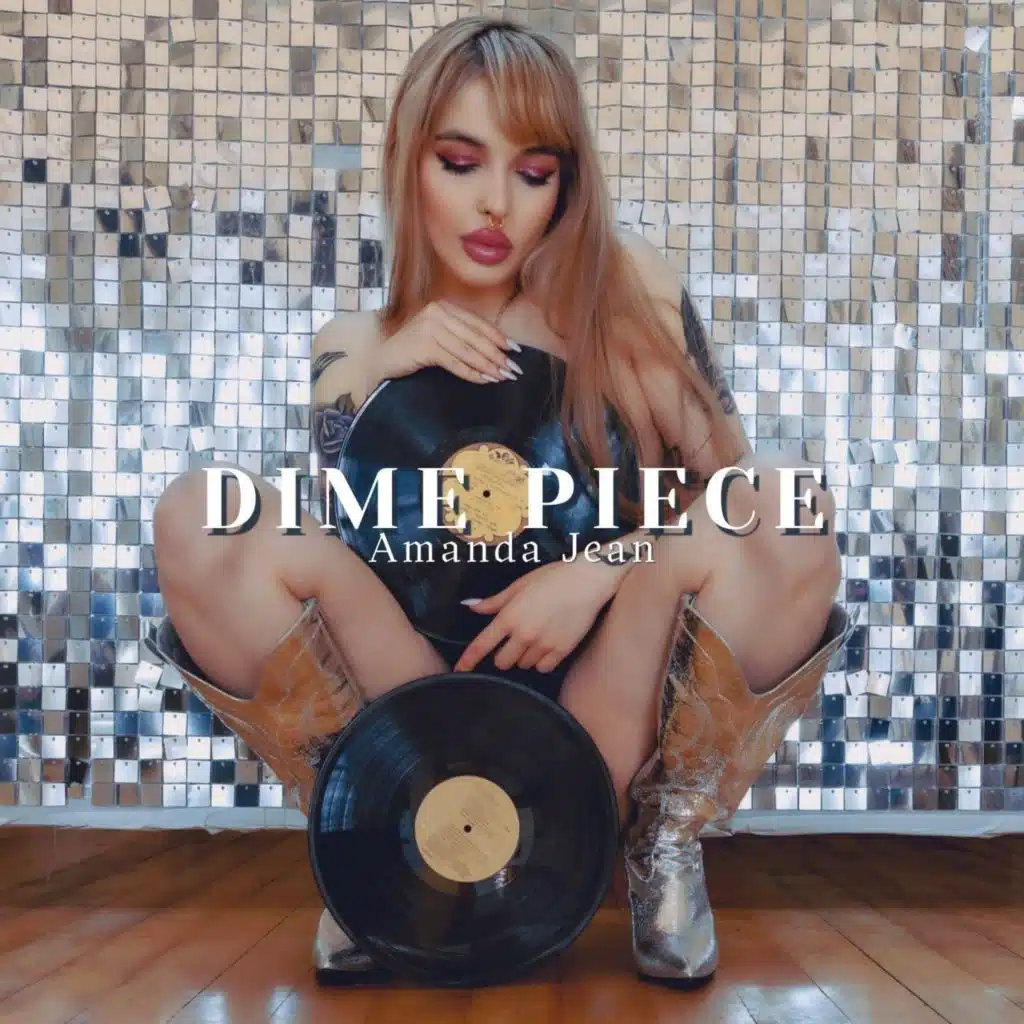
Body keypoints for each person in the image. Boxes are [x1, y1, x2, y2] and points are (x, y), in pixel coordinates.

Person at [146, 16, 855, 990]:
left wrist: (596, 569)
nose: (495, 203)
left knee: (788, 502)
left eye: (533, 172)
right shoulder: (349, 345)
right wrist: (380, 367)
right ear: (408, 162)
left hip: (603, 705)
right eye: (459, 162)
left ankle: (657, 840)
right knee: (199, 513)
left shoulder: (626, 294)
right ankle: (368, 836)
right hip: (419, 710)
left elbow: (735, 502)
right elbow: (351, 553)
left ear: (566, 183)